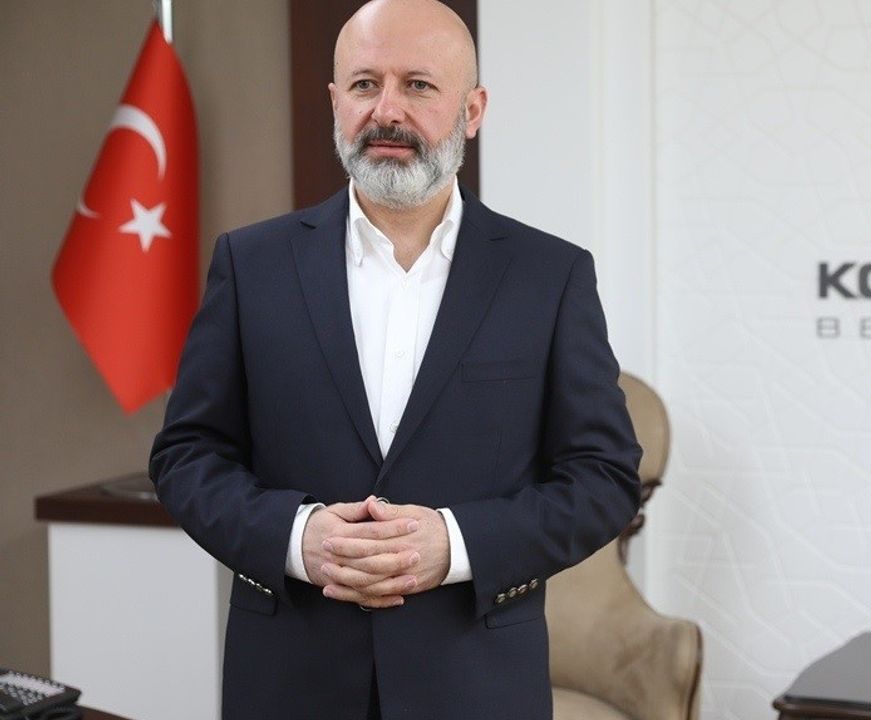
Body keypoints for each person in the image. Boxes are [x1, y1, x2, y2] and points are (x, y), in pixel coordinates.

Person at [148, 1, 641, 718]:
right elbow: (187, 454)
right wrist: (296, 538)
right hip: (288, 685)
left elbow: (604, 476)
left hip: (476, 688)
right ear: (335, 103)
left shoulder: (550, 275)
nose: (386, 110)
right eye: (364, 84)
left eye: (418, 85)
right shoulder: (250, 265)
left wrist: (457, 544)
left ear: (472, 110)